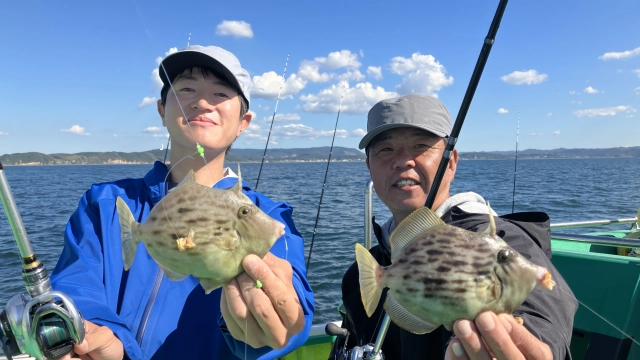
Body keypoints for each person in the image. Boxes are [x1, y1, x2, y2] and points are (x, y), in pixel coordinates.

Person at [51, 45, 314, 360]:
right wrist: (101, 335)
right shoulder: (106, 203)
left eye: (220, 93)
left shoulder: (271, 215)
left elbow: (293, 291)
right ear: (162, 109)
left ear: (244, 121)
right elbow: (76, 281)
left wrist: (267, 320)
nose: (202, 102)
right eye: (187, 88)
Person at [330, 94, 577, 360]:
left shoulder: (503, 241)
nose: (403, 160)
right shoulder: (359, 274)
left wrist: (533, 343)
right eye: (386, 149)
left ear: (451, 162)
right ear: (369, 165)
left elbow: (542, 309)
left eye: (420, 145)